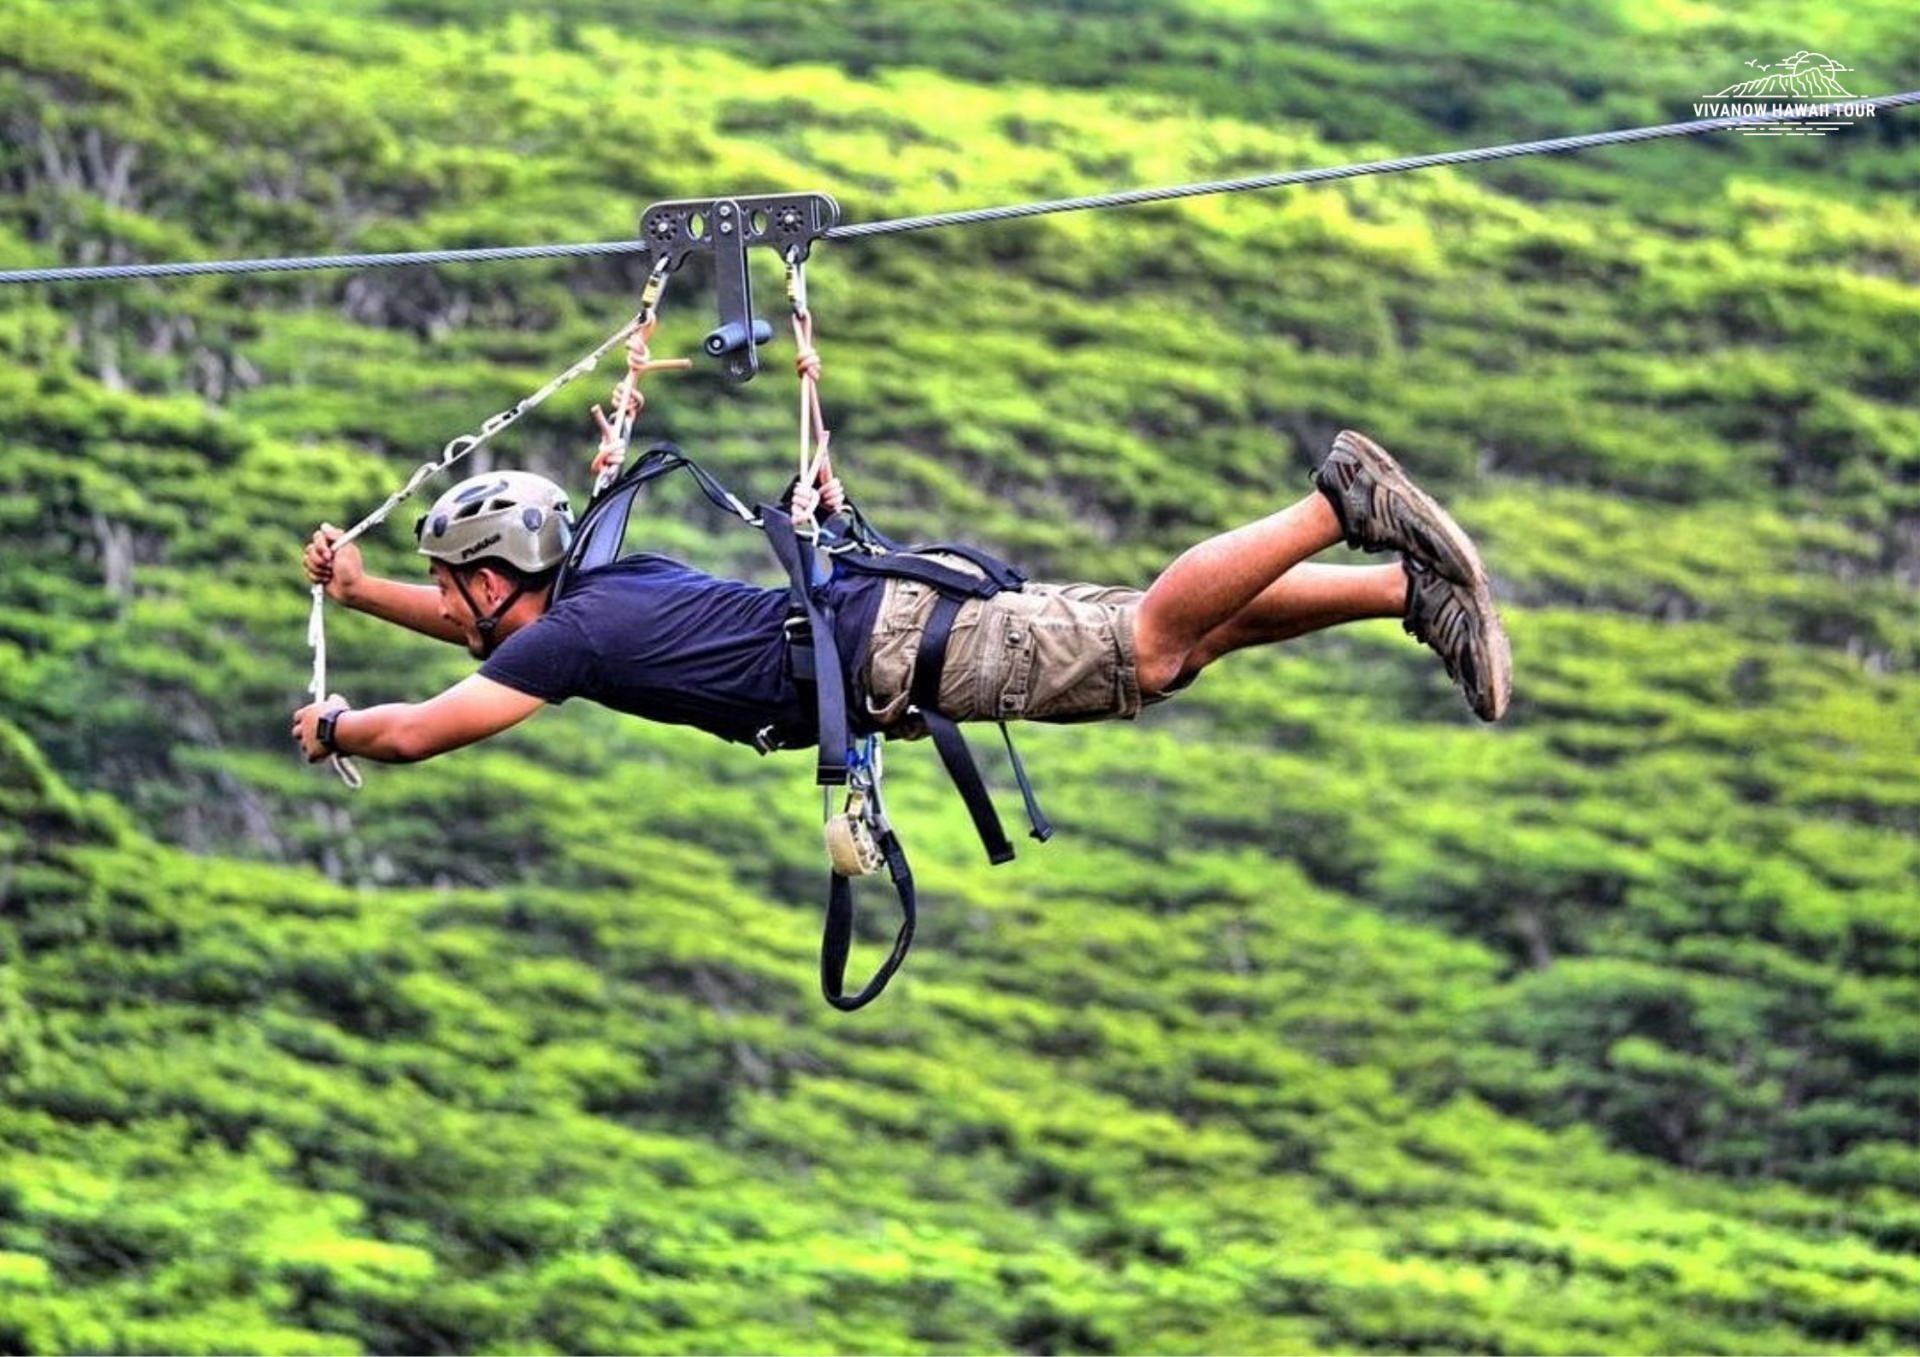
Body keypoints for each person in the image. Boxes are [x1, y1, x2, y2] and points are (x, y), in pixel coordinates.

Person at [290, 431, 1511, 769]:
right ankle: (1400, 589)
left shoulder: (570, 638)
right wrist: (362, 590)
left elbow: (422, 729)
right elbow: (474, 629)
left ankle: (1336, 502)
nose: (450, 605)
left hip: (894, 649)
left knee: (1145, 646)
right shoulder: (599, 591)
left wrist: (339, 726)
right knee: (1175, 652)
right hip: (891, 628)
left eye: (451, 583)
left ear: (494, 577)